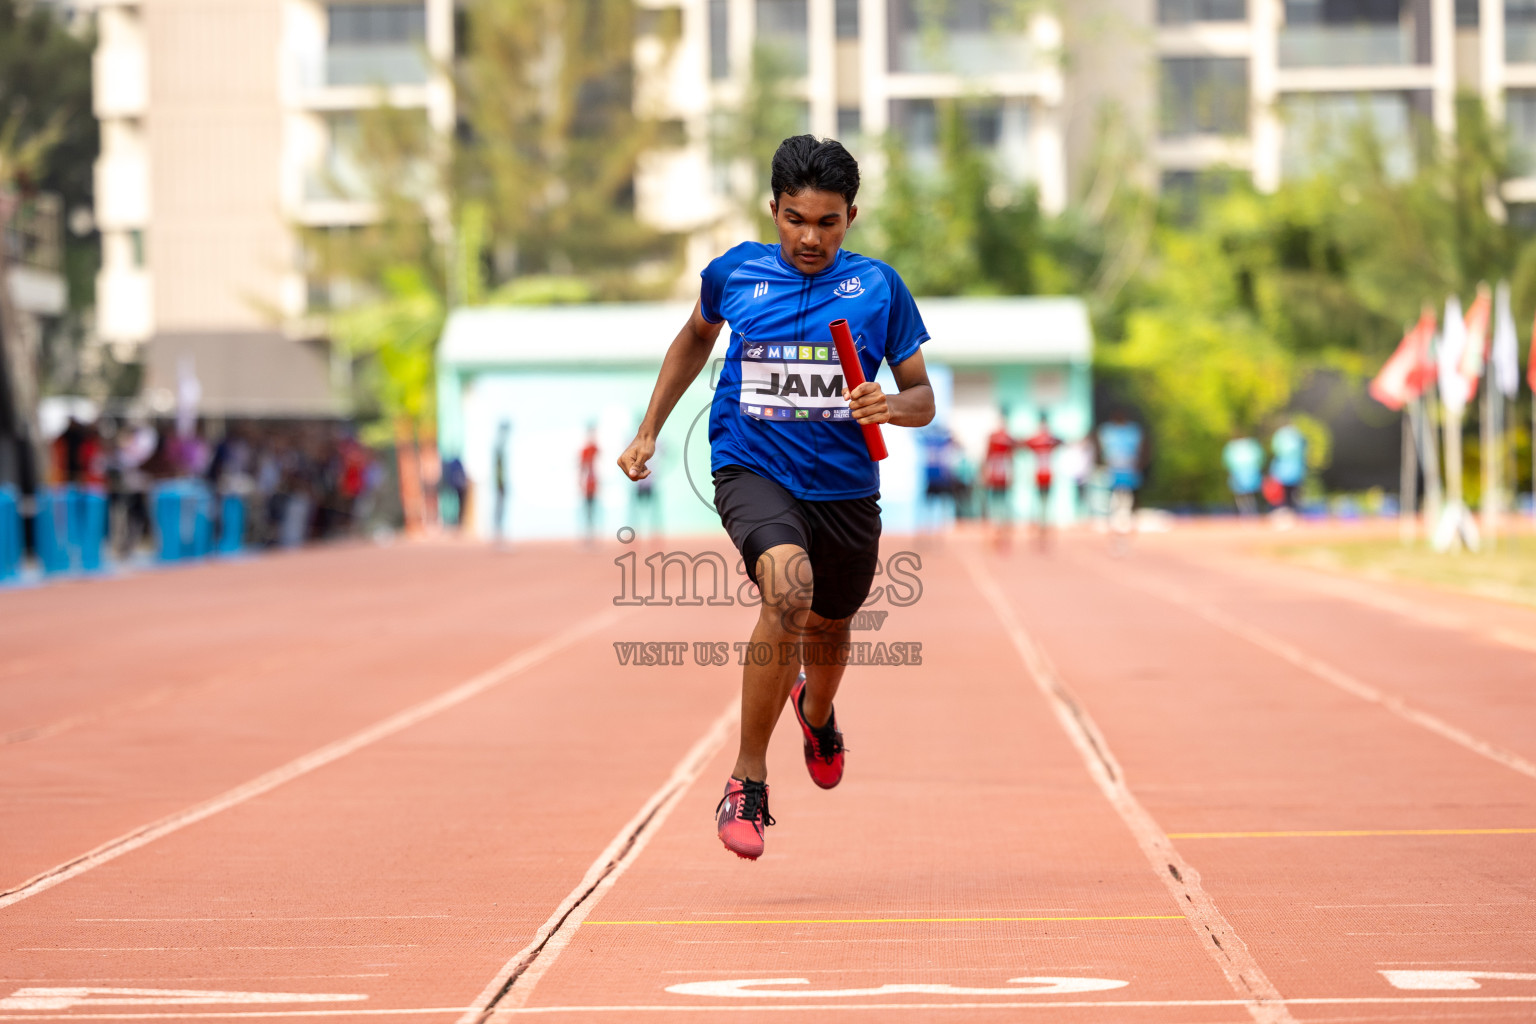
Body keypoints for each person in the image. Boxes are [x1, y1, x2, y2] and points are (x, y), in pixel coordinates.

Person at [616, 135, 934, 861]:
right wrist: (649, 430)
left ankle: (816, 712)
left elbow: (924, 395)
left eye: (827, 222)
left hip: (846, 488)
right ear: (774, 209)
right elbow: (693, 342)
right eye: (795, 219)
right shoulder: (735, 273)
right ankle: (747, 780)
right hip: (750, 467)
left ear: (851, 216)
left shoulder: (879, 288)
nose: (810, 237)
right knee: (788, 589)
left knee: (829, 625)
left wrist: (890, 404)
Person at [1096, 409, 1144, 547]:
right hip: (1115, 472)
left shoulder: (1131, 432)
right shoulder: (1108, 432)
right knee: (1115, 499)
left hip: (1128, 472)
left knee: (1127, 498)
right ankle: (1115, 523)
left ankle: (1126, 522)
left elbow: (1140, 449)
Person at [1021, 414, 1062, 548]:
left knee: (1043, 503)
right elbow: (1060, 441)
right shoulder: (1048, 439)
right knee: (1042, 503)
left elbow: (1025, 443)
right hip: (1043, 474)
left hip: (1043, 475)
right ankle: (1040, 525)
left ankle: (1042, 526)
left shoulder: (1039, 439)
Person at [981, 411, 1017, 537]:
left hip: (1001, 473)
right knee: (997, 499)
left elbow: (1010, 459)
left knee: (1001, 499)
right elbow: (987, 457)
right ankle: (998, 522)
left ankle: (1001, 522)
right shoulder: (999, 437)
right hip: (998, 473)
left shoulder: (1002, 437)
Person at [1268, 420, 1306, 518]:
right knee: (1293, 492)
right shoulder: (1297, 435)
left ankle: (1287, 511)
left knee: (1285, 493)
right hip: (1294, 469)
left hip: (1286, 469)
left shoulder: (1280, 435)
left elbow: (1276, 450)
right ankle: (1292, 511)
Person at [1222, 431, 1264, 517]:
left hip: (1243, 472)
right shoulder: (1250, 445)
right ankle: (1248, 511)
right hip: (1243, 472)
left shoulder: (1233, 446)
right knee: (1245, 493)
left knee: (1243, 493)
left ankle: (1247, 511)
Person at [578, 426, 600, 543]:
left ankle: (591, 536)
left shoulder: (595, 448)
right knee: (587, 511)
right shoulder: (585, 450)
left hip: (593, 484)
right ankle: (587, 536)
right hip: (587, 485)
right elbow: (582, 466)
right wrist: (581, 482)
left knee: (593, 511)